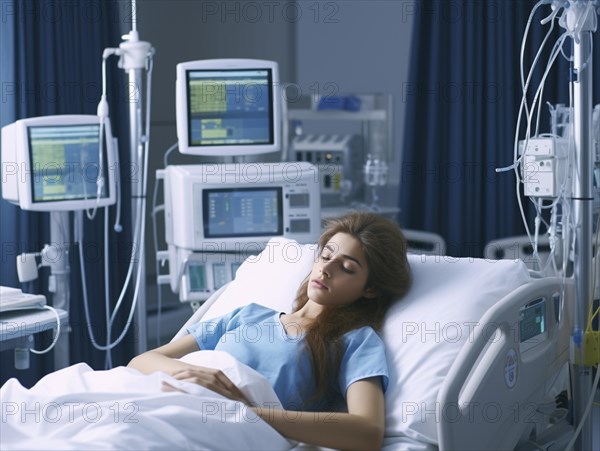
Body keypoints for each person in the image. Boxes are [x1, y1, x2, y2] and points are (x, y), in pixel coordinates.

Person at [128, 211, 412, 450]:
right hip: (166, 396)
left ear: (371, 289)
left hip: (222, 427)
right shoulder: (247, 315)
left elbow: (367, 432)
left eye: (346, 268)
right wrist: (186, 372)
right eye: (325, 256)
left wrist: (249, 414)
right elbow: (141, 361)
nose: (326, 270)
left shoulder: (354, 341)